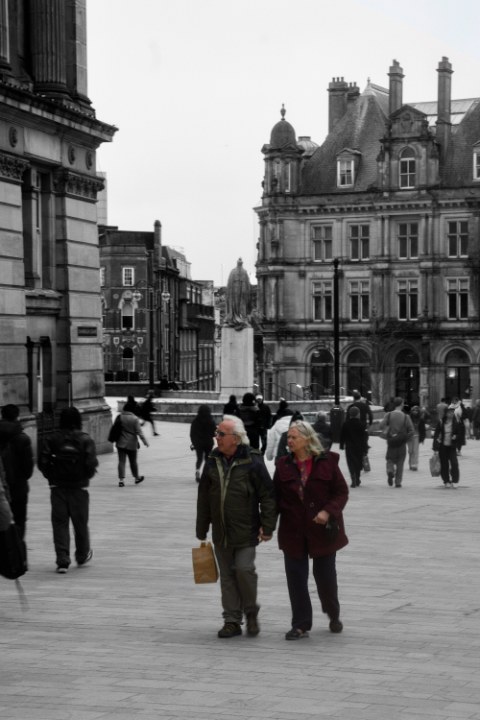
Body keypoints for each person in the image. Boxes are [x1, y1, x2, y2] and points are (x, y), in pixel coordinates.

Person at [196, 415, 277, 639]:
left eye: (221, 434)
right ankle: (232, 620)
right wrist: (201, 528)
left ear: (236, 438)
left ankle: (251, 610)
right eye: (217, 433)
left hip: (246, 530)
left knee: (243, 570)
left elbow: (268, 496)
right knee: (227, 576)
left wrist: (268, 526)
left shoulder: (252, 461)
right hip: (221, 531)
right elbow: (204, 496)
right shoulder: (213, 460)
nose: (217, 438)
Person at [273, 420, 349, 640]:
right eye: (288, 437)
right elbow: (274, 499)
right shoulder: (283, 465)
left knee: (325, 577)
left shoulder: (327, 463)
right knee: (296, 577)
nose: (289, 441)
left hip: (322, 531)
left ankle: (333, 614)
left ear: (307, 439)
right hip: (293, 531)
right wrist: (265, 526)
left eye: (294, 437)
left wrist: (328, 512)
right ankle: (300, 624)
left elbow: (341, 492)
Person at [38, 407, 98, 573]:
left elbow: (42, 462)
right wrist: (85, 477)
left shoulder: (52, 439)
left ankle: (62, 560)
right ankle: (81, 555)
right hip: (79, 488)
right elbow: (91, 463)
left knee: (59, 523)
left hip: (58, 488)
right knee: (81, 523)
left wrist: (51, 477)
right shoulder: (85, 439)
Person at [0, 404, 34, 540]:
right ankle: (18, 553)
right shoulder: (23, 438)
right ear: (17, 416)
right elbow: (28, 469)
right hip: (18, 486)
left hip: (1, 486)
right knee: (19, 521)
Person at [380, 397, 415, 488]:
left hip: (391, 442)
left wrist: (388, 432)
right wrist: (405, 438)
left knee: (390, 459)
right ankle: (398, 482)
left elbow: (381, 425)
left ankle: (390, 470)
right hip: (401, 444)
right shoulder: (405, 416)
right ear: (401, 404)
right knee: (400, 462)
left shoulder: (389, 414)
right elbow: (411, 431)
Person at [114, 397, 149, 487]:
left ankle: (121, 480)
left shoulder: (119, 417)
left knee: (121, 461)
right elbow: (139, 432)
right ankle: (136, 478)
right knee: (133, 461)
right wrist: (145, 441)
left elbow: (116, 428)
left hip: (120, 442)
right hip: (131, 443)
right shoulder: (134, 418)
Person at [432, 404, 461, 487]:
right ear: (445, 413)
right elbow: (436, 435)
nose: (451, 414)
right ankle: (446, 481)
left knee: (454, 463)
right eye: (449, 412)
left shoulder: (456, 422)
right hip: (443, 447)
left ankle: (454, 480)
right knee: (444, 464)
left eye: (452, 412)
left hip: (452, 447)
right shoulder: (441, 422)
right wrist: (435, 448)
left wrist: (456, 436)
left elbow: (459, 433)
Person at [339, 407, 368, 488]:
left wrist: (341, 445)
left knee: (350, 462)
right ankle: (358, 478)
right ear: (358, 414)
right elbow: (364, 437)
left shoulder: (346, 424)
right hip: (359, 447)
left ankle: (353, 477)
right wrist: (365, 448)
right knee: (358, 462)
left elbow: (342, 435)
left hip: (349, 447)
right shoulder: (362, 424)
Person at [190, 404, 216, 482]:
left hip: (198, 443)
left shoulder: (195, 421)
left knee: (199, 458)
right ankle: (206, 474)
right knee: (207, 459)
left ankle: (197, 471)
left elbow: (192, 434)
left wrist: (193, 442)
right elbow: (214, 433)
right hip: (208, 443)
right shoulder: (211, 421)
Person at [225, 258, 251, 328]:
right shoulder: (233, 272)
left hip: (243, 291)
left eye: (241, 263)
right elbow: (229, 284)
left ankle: (242, 318)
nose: (240, 264)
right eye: (239, 263)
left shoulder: (244, 272)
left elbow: (248, 283)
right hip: (234, 291)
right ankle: (234, 318)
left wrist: (247, 291)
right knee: (235, 304)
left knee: (242, 305)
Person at [407, 405, 426, 471]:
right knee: (410, 451)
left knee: (415, 451)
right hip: (409, 437)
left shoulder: (421, 419)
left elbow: (423, 429)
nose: (415, 412)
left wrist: (422, 438)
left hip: (417, 436)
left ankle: (414, 464)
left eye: (416, 411)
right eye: (414, 410)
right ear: (411, 411)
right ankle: (410, 462)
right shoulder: (408, 418)